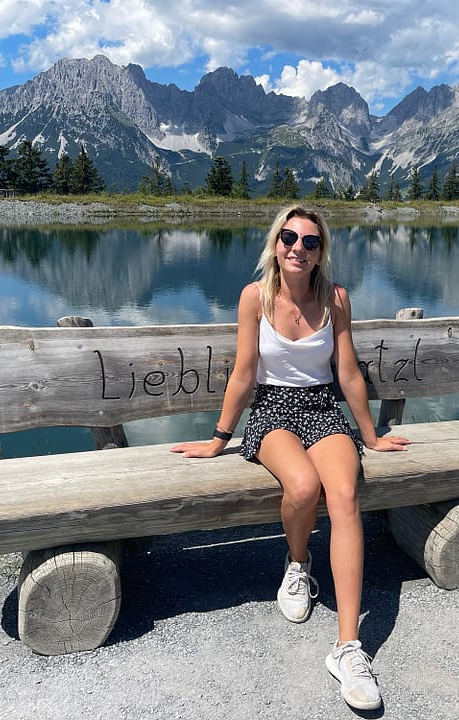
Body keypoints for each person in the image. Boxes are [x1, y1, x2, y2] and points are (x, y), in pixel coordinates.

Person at [170, 204, 409, 710]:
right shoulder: (254, 298)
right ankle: (297, 564)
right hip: (272, 411)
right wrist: (218, 438)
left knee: (343, 494)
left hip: (323, 408)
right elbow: (243, 373)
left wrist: (370, 435)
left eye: (311, 242)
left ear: (322, 253)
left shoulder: (336, 299)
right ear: (275, 244)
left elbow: (347, 375)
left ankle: (348, 649)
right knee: (302, 486)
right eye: (289, 238)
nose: (298, 248)